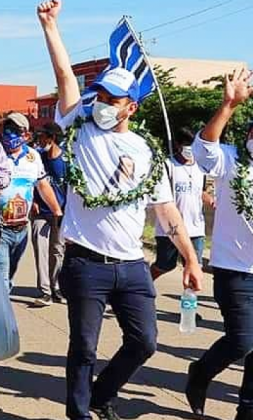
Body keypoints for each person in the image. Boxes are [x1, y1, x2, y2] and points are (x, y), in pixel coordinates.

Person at [37, 2, 203, 419]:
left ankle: (102, 395)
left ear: (133, 106)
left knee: (145, 341)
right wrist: (51, 27)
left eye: (115, 99)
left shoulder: (146, 150)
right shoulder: (82, 128)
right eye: (103, 96)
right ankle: (79, 413)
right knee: (84, 347)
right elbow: (63, 77)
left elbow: (166, 210)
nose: (105, 104)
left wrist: (190, 258)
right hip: (85, 263)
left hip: (131, 265)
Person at [186, 70, 253, 420]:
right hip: (235, 270)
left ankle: (247, 409)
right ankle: (200, 373)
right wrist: (228, 105)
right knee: (242, 341)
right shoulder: (232, 160)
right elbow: (204, 149)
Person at [0, 112, 62, 289]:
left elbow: (42, 185)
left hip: (21, 229)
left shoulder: (33, 157)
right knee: (2, 278)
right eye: (7, 129)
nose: (10, 134)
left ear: (26, 135)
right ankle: (1, 315)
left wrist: (57, 211)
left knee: (9, 275)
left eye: (15, 130)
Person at [150, 129, 212, 280]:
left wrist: (209, 198)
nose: (190, 149)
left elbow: (201, 191)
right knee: (165, 264)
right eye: (187, 145)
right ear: (178, 145)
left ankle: (189, 299)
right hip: (170, 229)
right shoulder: (166, 165)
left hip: (195, 228)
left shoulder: (201, 168)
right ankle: (143, 285)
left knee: (194, 267)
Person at [30, 122, 67, 307]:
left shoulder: (66, 161)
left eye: (43, 137)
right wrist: (34, 201)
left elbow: (72, 189)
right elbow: (32, 181)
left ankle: (56, 287)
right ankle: (44, 291)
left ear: (51, 139)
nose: (40, 140)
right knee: (40, 249)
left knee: (57, 251)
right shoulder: (38, 157)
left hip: (60, 214)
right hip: (40, 213)